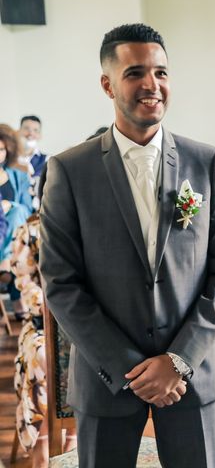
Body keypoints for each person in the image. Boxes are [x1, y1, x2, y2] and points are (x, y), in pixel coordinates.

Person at [39, 23, 215, 467]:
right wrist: (129, 369)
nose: (152, 85)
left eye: (162, 72)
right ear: (107, 84)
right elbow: (61, 283)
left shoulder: (206, 163)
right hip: (106, 379)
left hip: (192, 377)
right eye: (135, 73)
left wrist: (179, 359)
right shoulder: (69, 171)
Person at [12, 173, 77, 468]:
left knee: (90, 354)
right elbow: (25, 282)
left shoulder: (84, 226)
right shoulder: (31, 231)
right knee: (42, 353)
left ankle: (74, 439)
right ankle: (42, 441)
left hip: (79, 321)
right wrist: (52, 307)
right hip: (42, 321)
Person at [0, 124, 33, 318]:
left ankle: (6, 263)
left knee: (18, 211)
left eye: (2, 149)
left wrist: (9, 205)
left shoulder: (19, 177)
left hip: (18, 235)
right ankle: (18, 298)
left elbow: (28, 211)